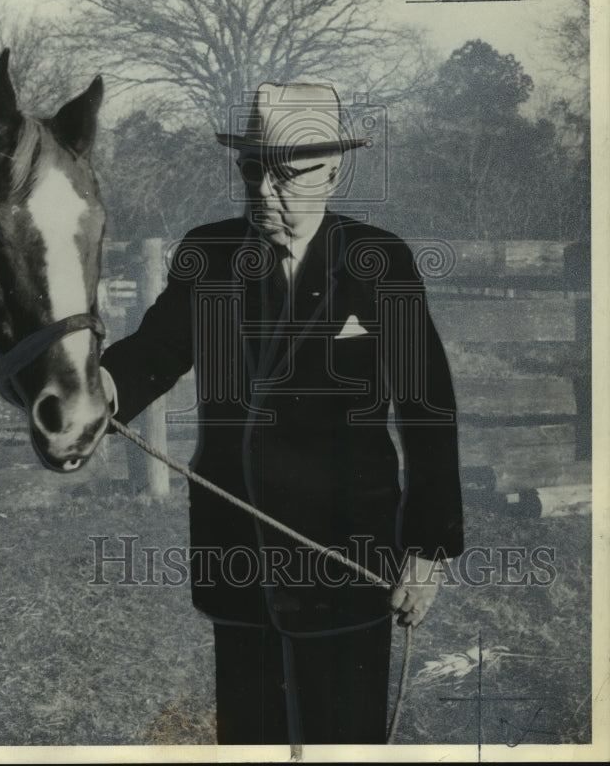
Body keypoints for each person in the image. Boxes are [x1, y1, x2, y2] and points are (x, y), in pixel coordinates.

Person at [100, 82, 464, 745]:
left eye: (288, 177)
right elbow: (156, 350)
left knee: (342, 738)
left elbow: (427, 408)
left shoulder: (379, 261)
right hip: (237, 544)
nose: (264, 193)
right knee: (251, 738)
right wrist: (99, 386)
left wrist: (429, 550)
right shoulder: (207, 256)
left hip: (348, 551)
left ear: (333, 170)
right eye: (250, 172)